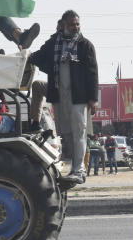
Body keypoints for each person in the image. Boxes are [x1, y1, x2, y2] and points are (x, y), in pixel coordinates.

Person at [27, 10, 99, 183]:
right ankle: (70, 168)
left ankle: (79, 170)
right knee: (64, 133)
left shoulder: (85, 45)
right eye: (72, 24)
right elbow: (38, 56)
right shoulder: (55, 43)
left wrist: (93, 98)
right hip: (59, 95)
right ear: (63, 26)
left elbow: (92, 73)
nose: (75, 27)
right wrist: (25, 54)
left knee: (78, 132)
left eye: (77, 24)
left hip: (79, 97)